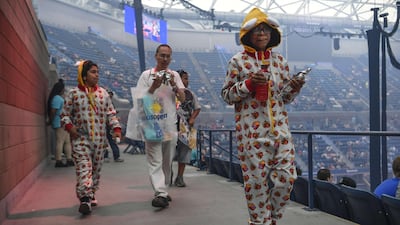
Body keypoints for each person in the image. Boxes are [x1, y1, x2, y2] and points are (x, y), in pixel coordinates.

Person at [221, 8, 305, 225]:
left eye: (266, 30)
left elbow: (284, 97)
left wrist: (294, 87)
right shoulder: (237, 61)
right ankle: (260, 222)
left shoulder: (280, 61)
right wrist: (249, 84)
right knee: (256, 183)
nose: (262, 34)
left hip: (280, 130)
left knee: (287, 178)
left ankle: (273, 219)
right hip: (251, 134)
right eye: (257, 30)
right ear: (247, 34)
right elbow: (227, 96)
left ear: (272, 34)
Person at [61, 60, 121, 215]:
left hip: (100, 142)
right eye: (93, 72)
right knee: (84, 168)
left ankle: (91, 192)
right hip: (80, 139)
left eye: (97, 72)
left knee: (95, 170)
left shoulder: (103, 94)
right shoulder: (74, 94)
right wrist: (70, 128)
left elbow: (111, 114)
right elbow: (64, 115)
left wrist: (116, 128)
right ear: (84, 75)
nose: (97, 75)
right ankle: (85, 198)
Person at [132, 44, 185, 208]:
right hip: (151, 123)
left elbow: (183, 98)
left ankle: (164, 189)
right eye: (162, 55)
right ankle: (160, 193)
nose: (165, 59)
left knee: (167, 160)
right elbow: (139, 99)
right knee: (155, 160)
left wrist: (175, 87)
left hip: (169, 124)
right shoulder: (146, 76)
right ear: (155, 56)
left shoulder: (174, 75)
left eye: (168, 56)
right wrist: (154, 86)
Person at [173, 69, 201, 187]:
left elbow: (197, 108)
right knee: (168, 152)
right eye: (184, 78)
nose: (187, 81)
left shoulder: (190, 94)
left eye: (187, 78)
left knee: (185, 153)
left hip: (186, 127)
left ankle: (180, 177)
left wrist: (192, 118)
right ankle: (167, 174)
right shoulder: (169, 93)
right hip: (171, 126)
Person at [47, 79, 74, 168]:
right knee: (61, 141)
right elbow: (53, 111)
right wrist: (51, 120)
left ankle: (68, 159)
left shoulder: (57, 98)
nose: (64, 90)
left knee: (66, 141)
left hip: (62, 122)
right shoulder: (57, 99)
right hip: (60, 122)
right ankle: (59, 160)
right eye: (63, 88)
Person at [103, 89, 124, 163]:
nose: (110, 96)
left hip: (111, 126)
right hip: (103, 126)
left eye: (111, 95)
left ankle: (116, 156)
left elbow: (112, 114)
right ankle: (105, 156)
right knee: (104, 142)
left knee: (113, 141)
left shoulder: (111, 103)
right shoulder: (102, 102)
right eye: (109, 94)